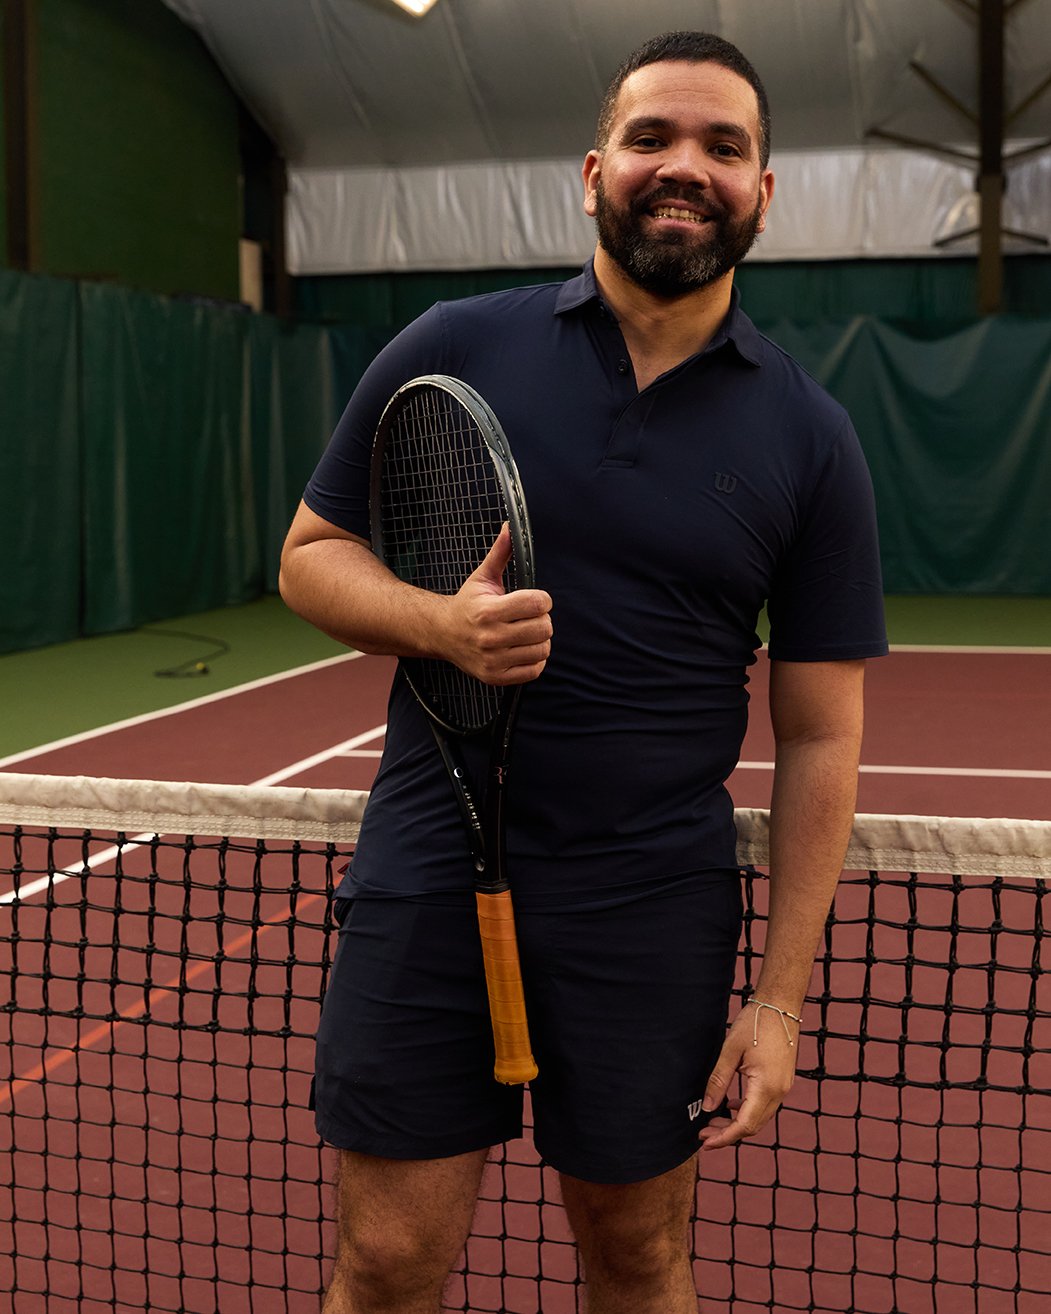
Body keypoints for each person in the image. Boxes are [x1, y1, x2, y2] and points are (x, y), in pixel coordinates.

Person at [280, 29, 887, 1314]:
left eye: (724, 146)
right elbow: (310, 556)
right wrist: (438, 627)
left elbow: (823, 737)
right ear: (593, 168)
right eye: (653, 138)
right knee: (386, 1262)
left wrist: (775, 1003)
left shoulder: (810, 437)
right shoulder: (454, 343)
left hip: (649, 904)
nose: (685, 167)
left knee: (635, 1257)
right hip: (431, 869)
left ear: (763, 191)